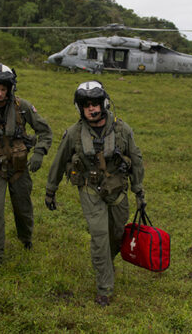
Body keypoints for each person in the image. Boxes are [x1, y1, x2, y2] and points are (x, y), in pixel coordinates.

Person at [44, 80, 145, 307]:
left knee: (117, 234)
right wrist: (51, 190)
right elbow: (59, 163)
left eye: (95, 103)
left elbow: (136, 161)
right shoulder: (74, 133)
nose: (92, 109)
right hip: (90, 189)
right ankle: (104, 288)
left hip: (118, 189)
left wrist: (139, 191)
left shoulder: (122, 130)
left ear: (104, 103)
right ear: (80, 108)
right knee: (99, 234)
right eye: (86, 105)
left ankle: (105, 264)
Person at [0, 63, 52, 267]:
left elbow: (45, 131)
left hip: (19, 168)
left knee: (23, 207)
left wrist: (39, 153)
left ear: (10, 89)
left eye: (3, 90)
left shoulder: (22, 107)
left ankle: (26, 240)